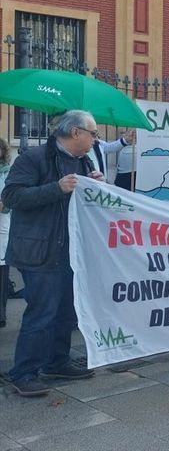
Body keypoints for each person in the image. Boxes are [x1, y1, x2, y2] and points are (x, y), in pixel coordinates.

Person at [2, 110, 106, 397]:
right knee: (42, 313)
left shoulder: (84, 160)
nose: (95, 139)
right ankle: (23, 372)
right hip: (39, 250)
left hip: (70, 251)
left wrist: (96, 185)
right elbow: (11, 197)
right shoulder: (33, 158)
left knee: (66, 312)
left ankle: (57, 362)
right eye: (93, 133)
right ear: (75, 132)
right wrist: (56, 188)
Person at [0, 138, 11, 327]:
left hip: (2, 225)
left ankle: (1, 314)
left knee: (1, 271)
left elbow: (12, 197)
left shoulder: (9, 172)